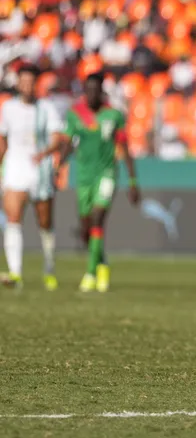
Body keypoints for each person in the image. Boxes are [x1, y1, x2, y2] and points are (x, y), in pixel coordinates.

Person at [60, 73, 141, 293]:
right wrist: (59, 166)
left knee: (97, 219)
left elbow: (125, 149)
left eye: (96, 90)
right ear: (84, 91)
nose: (93, 94)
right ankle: (102, 263)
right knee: (86, 228)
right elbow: (67, 143)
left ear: (102, 91)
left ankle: (90, 274)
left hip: (106, 174)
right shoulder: (75, 115)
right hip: (84, 177)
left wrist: (133, 181)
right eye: (89, 90)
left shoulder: (114, 115)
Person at [0, 64, 64, 291]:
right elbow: (3, 140)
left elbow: (58, 138)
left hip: (39, 169)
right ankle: (15, 272)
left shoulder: (46, 108)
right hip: (15, 167)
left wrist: (45, 153)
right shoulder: (8, 108)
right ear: (17, 83)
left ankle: (49, 267)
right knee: (13, 218)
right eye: (23, 81)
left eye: (30, 82)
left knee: (44, 222)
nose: (27, 86)